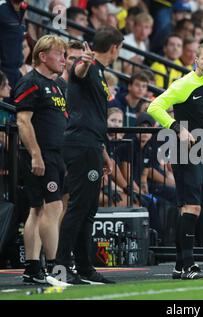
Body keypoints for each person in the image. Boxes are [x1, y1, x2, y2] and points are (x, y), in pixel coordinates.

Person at [148, 40, 203, 280]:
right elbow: (155, 106)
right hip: (186, 152)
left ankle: (179, 266)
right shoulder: (184, 83)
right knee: (191, 206)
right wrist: (177, 128)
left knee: (190, 207)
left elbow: (202, 121)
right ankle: (189, 266)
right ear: (196, 59)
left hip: (202, 152)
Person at [56, 27, 124, 285]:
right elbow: (78, 72)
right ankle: (60, 267)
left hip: (92, 145)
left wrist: (103, 152)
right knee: (78, 207)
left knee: (88, 210)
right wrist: (83, 62)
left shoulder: (100, 72)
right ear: (116, 48)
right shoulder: (87, 66)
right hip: (81, 145)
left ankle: (84, 268)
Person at [14, 35, 68, 285]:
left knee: (37, 209)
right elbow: (23, 121)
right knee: (52, 207)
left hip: (56, 155)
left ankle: (33, 268)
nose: (64, 59)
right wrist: (35, 153)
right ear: (43, 56)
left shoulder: (56, 85)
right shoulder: (31, 82)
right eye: (59, 54)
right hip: (41, 154)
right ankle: (56, 268)